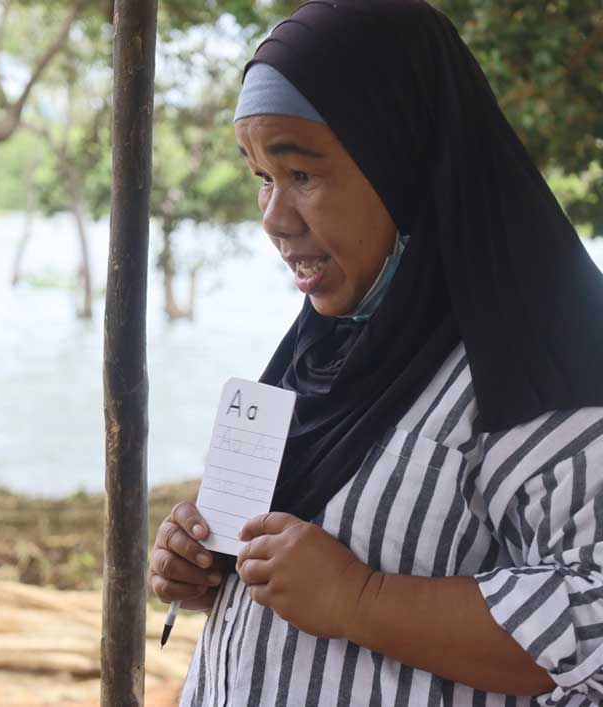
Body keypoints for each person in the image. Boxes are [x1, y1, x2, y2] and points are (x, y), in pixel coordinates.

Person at [150, 3, 603, 704]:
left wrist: (363, 598)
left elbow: (592, 613)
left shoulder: (541, 358)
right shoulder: (317, 357)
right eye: (261, 177)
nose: (273, 217)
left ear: (406, 165)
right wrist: (209, 566)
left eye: (302, 174)